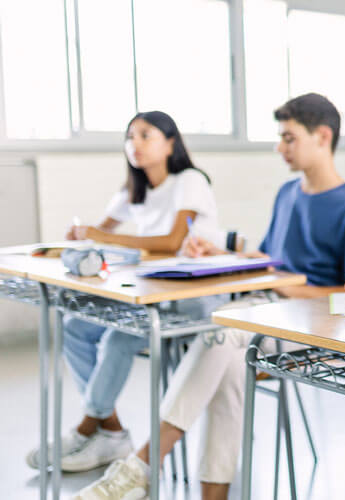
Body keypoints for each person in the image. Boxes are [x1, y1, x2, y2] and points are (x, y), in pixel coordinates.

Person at [74, 93, 345, 500]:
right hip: (272, 319)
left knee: (225, 331)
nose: (279, 147)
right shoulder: (288, 193)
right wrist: (222, 254)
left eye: (288, 138)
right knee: (230, 362)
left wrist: (290, 286)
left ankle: (143, 465)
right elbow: (270, 258)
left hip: (318, 334)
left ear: (322, 136)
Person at [28, 111, 222, 475]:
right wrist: (81, 237)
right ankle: (111, 430)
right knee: (75, 326)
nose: (135, 144)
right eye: (130, 137)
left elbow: (170, 243)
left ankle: (89, 425)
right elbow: (97, 233)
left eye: (146, 135)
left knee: (119, 337)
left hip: (193, 300)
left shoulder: (189, 180)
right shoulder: (135, 189)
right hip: (151, 293)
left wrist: (103, 237)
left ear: (170, 143)